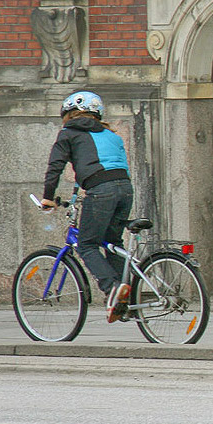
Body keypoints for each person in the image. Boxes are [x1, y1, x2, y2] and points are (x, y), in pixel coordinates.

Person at [41, 91, 134, 323]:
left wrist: (48, 197)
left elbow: (56, 167)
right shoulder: (112, 135)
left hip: (101, 191)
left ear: (67, 114)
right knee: (113, 243)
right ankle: (125, 297)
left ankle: (112, 287)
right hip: (125, 189)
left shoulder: (68, 133)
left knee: (87, 245)